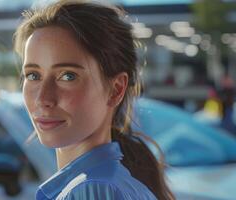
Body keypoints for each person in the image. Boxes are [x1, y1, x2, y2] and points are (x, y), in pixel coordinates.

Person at [13, 1, 174, 199]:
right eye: (33, 75)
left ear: (116, 89)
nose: (43, 98)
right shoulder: (113, 184)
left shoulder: (91, 190)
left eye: (68, 76)